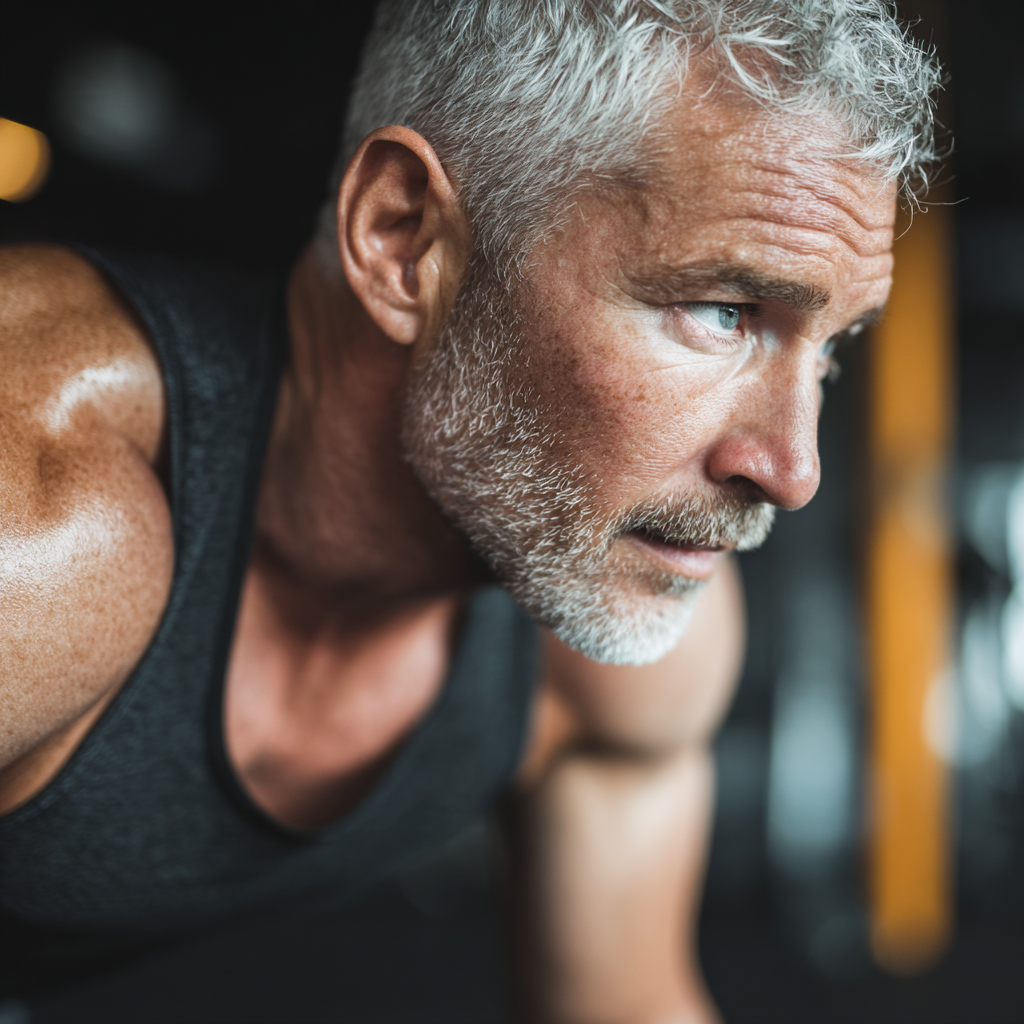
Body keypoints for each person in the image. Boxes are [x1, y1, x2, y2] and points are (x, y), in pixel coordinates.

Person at [0, 2, 939, 1021]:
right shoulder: (43, 527)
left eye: (832, 344)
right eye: (723, 312)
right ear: (403, 238)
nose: (790, 468)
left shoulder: (623, 646)